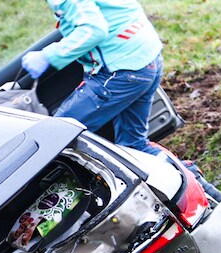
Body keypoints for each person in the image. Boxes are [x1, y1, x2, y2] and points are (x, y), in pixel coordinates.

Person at [21, 0, 164, 155]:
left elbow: (93, 30)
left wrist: (48, 56)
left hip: (121, 69)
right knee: (135, 146)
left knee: (55, 135)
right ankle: (189, 175)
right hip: (148, 58)